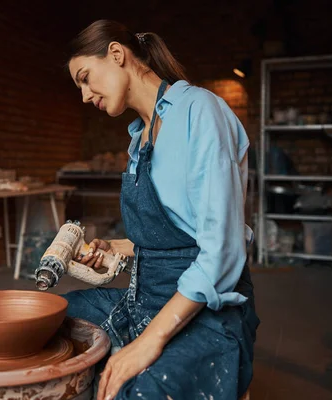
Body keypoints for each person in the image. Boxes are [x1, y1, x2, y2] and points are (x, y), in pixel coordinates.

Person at [62, 19, 259, 400]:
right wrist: (118, 248)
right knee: (55, 317)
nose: (85, 95)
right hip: (147, 297)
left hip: (206, 310)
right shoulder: (139, 138)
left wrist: (148, 343)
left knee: (140, 391)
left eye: (85, 78)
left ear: (117, 54)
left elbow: (221, 249)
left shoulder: (198, 111)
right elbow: (176, 234)